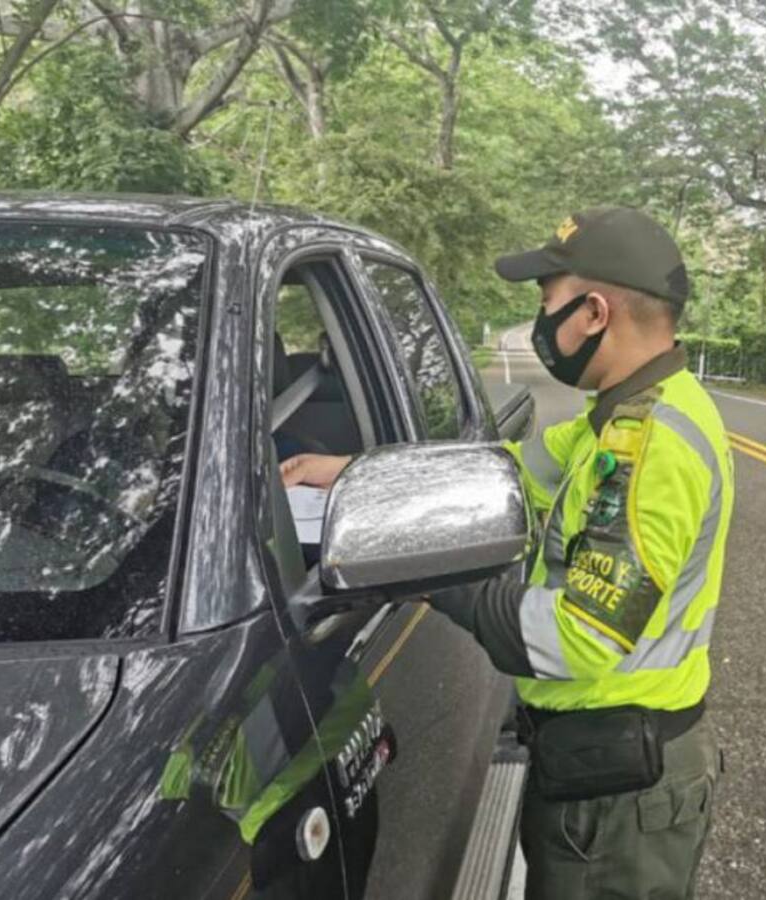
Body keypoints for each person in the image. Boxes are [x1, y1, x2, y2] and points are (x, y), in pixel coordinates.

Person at [283, 206, 734, 899]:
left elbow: (581, 634)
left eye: (545, 303)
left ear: (593, 312)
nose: (540, 323)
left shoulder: (655, 445)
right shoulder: (619, 416)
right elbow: (508, 469)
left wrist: (433, 576)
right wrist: (351, 470)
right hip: (600, 765)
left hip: (619, 796)